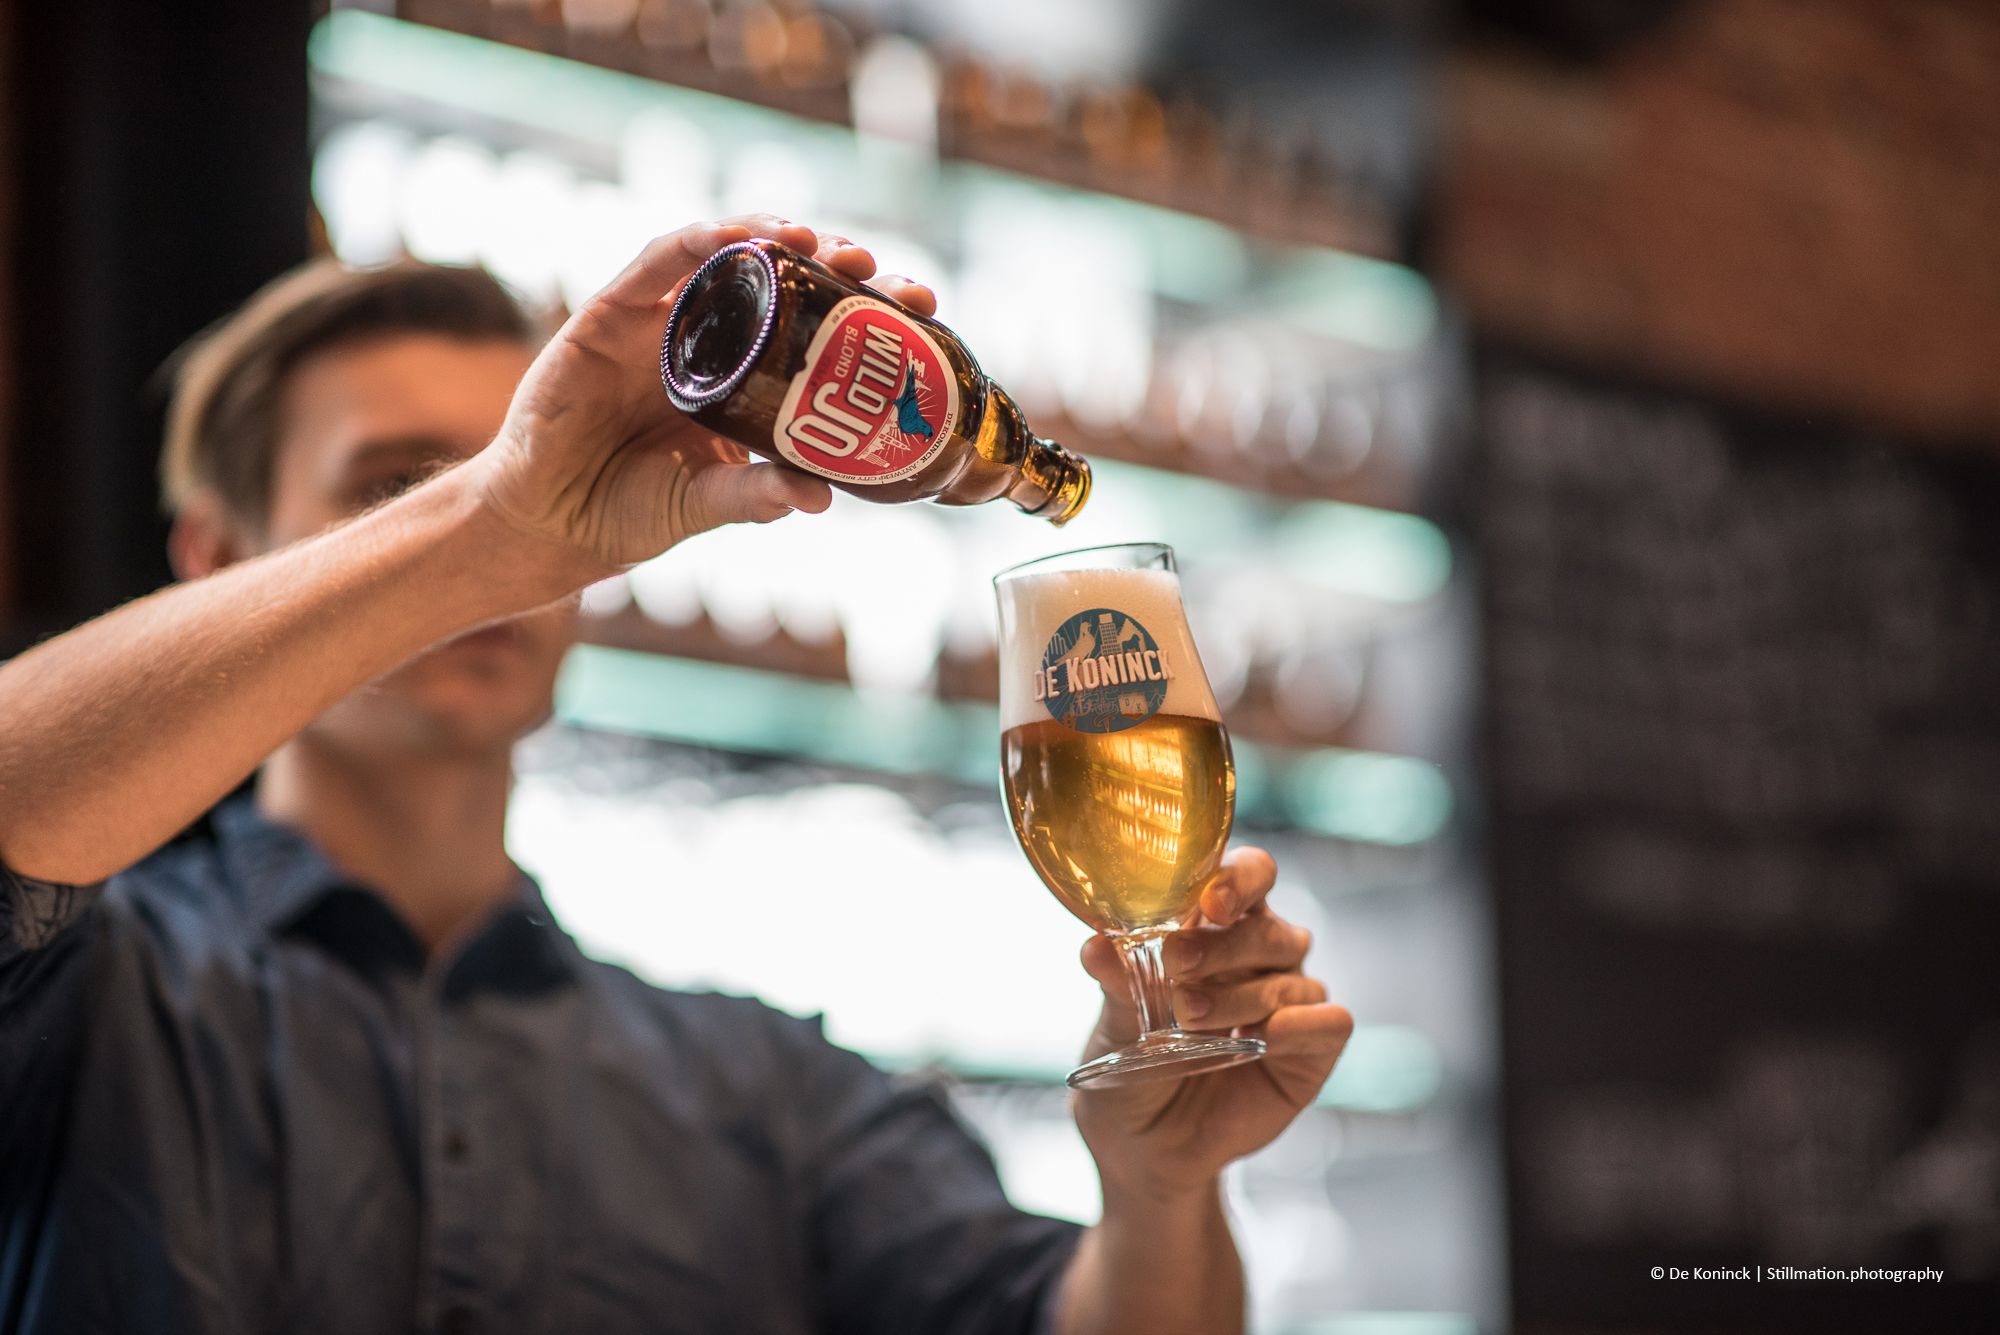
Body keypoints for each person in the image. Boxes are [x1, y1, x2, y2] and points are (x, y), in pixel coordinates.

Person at [0, 215, 1352, 1334]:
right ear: (219, 557)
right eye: (394, 489)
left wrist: (1160, 1191)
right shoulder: (92, 1002)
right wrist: (490, 522)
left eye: (520, 471)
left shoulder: (763, 1092)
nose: (513, 543)